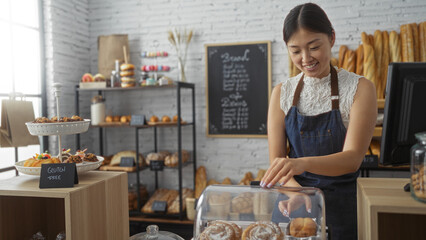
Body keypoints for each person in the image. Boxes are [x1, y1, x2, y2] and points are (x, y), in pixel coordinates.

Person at [260, 3, 377, 240]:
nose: (305, 58)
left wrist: (300, 163)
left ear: (331, 38)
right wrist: (295, 191)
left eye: (314, 47)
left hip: (340, 209)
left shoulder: (360, 88)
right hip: (292, 202)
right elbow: (277, 161)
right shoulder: (281, 92)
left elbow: (353, 158)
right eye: (295, 51)